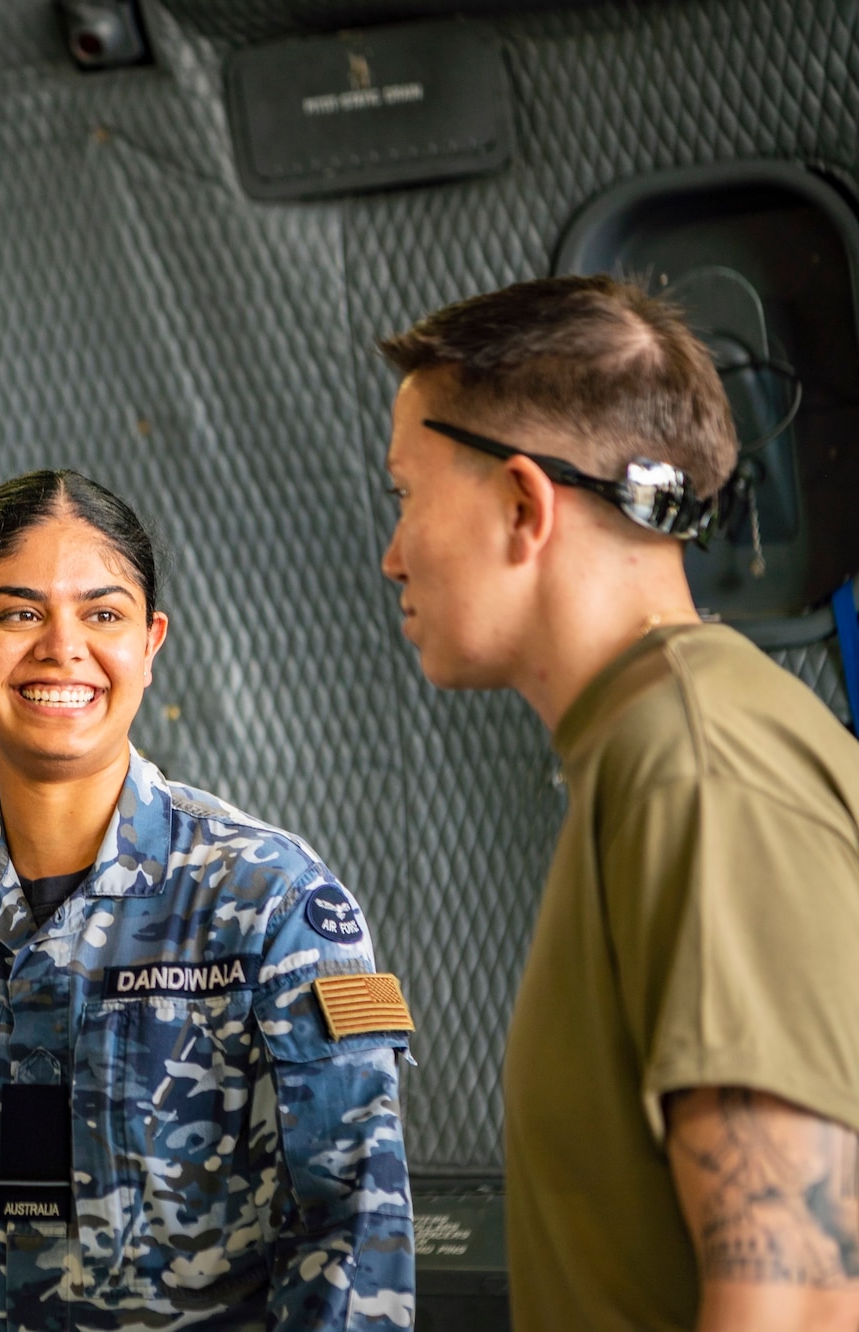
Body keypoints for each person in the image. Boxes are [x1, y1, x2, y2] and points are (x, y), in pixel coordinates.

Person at [0, 469, 415, 1330]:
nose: (62, 647)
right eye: (17, 613)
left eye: (104, 614)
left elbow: (355, 1257)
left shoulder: (272, 905)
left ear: (151, 643)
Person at [378, 275, 859, 1330]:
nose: (391, 554)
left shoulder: (696, 766)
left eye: (403, 495)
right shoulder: (656, 743)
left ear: (521, 503)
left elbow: (806, 1298)